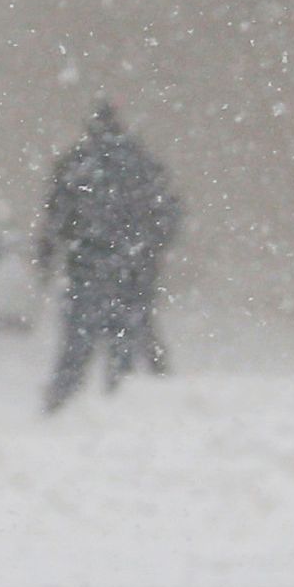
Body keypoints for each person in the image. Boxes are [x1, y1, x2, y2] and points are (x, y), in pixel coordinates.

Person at [34, 101, 182, 411]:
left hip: (87, 265)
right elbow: (168, 214)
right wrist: (150, 251)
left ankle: (60, 405)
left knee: (77, 344)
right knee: (125, 341)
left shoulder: (77, 164)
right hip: (133, 269)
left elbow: (56, 220)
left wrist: (46, 262)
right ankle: (122, 402)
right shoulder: (144, 165)